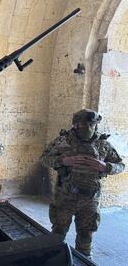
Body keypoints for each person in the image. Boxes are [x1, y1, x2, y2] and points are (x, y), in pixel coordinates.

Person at [40, 109, 125, 258]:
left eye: (91, 124)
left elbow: (120, 165)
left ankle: (84, 259)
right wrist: (62, 160)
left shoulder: (103, 145)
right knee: (58, 235)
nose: (86, 128)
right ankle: (55, 260)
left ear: (96, 125)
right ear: (75, 124)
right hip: (65, 198)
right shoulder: (64, 141)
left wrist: (106, 167)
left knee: (86, 237)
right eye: (81, 125)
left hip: (90, 200)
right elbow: (44, 158)